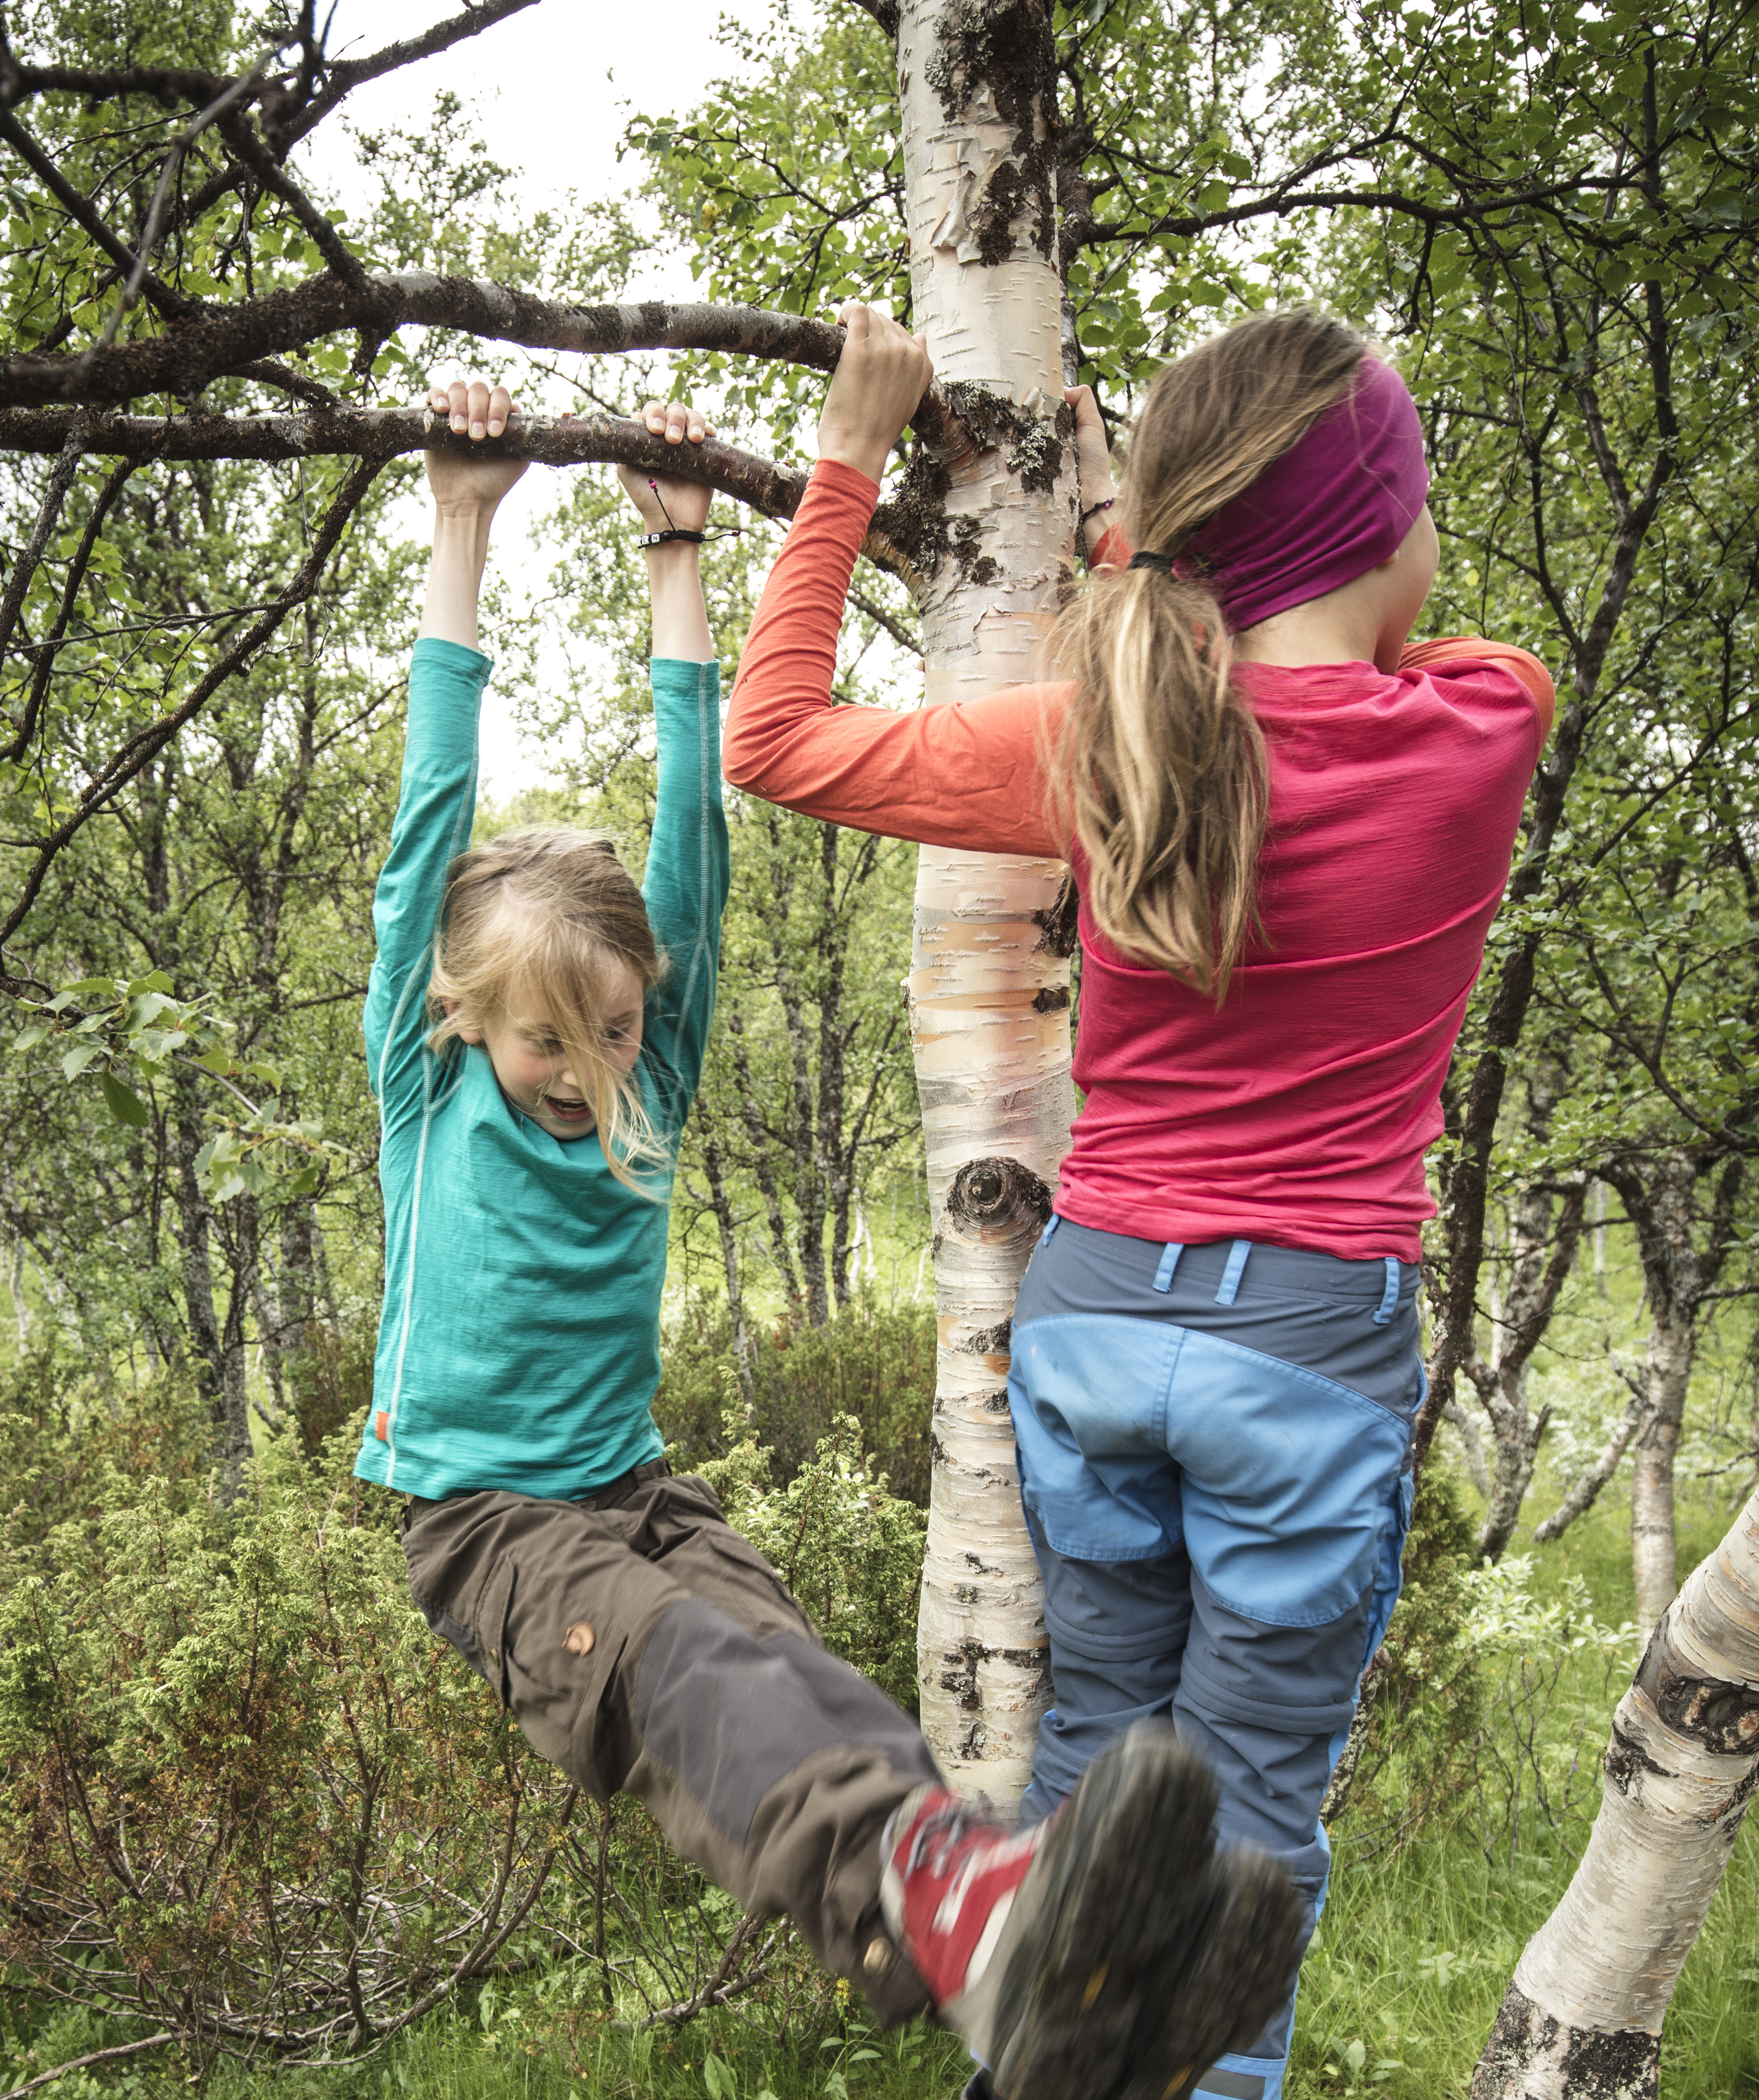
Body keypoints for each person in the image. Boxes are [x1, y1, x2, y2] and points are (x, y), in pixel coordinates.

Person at [354, 376, 1301, 2100]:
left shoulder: (651, 1070)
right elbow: (429, 827)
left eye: (613, 1029)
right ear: (461, 1022)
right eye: (543, 1042)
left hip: (639, 1490)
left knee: (797, 1680)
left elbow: (692, 839)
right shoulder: (432, 1098)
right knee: (697, 1669)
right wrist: (464, 521)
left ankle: (1044, 1977)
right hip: (485, 1523)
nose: (581, 1074)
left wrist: (677, 557)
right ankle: (1000, 1938)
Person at [722, 305, 1556, 2100]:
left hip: (1094, 1330)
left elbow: (774, 739)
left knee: (1095, 1785)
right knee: (1245, 1835)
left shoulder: (1101, 743)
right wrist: (1138, 527)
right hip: (1306, 1350)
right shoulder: (1486, 724)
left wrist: (853, 456)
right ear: (1381, 520)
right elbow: (1349, 649)